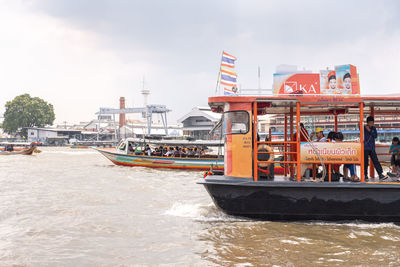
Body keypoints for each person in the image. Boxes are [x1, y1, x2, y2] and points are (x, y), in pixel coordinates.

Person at [364, 116, 387, 180]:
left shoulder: (373, 128)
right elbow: (359, 127)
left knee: (375, 161)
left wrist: (369, 130)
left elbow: (375, 136)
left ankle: (380, 174)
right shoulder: (364, 128)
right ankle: (365, 175)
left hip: (372, 148)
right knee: (365, 162)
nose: (372, 123)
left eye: (373, 122)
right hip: (365, 148)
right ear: (368, 123)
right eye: (371, 122)